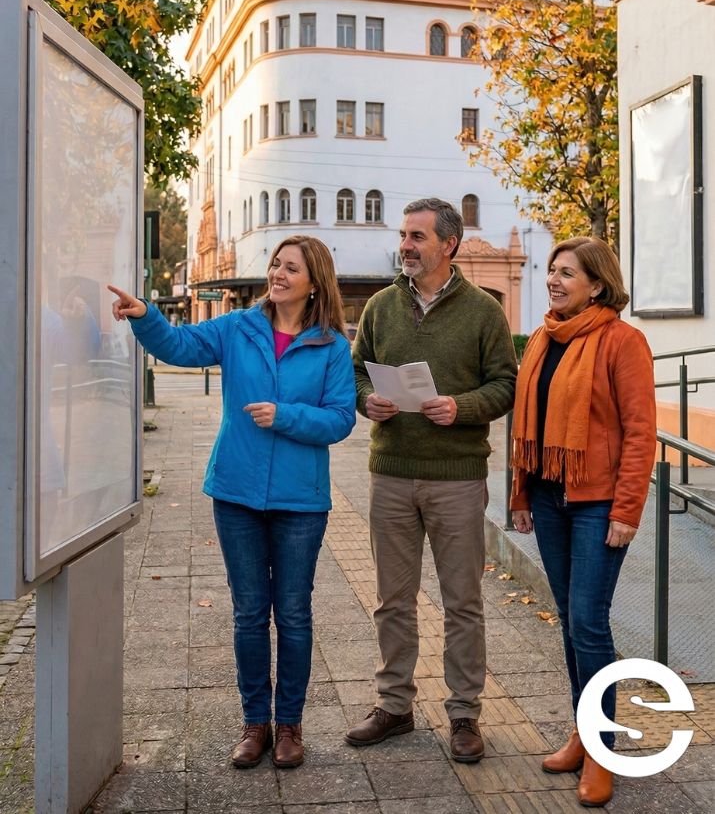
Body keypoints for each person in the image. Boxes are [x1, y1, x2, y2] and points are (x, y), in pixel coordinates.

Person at [108, 235, 356, 770]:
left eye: (291, 268)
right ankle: (254, 725)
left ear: (314, 283)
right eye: (276, 263)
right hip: (237, 493)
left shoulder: (332, 345)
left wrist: (284, 415)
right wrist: (145, 315)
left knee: (292, 614)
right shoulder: (238, 327)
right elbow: (179, 346)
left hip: (300, 502)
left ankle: (289, 726)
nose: (278, 273)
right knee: (248, 614)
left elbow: (341, 418)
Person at [346, 198, 517, 761]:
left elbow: (503, 385)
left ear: (450, 245)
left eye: (417, 236)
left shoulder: (483, 312)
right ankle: (393, 705)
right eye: (403, 235)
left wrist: (460, 407)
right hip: (391, 474)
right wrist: (366, 400)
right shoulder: (379, 307)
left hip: (456, 479)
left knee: (462, 601)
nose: (406, 245)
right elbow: (352, 370)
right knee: (392, 600)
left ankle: (465, 714)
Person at [509, 237, 656, 807]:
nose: (553, 279)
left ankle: (602, 748)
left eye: (567, 273)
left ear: (597, 284)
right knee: (570, 621)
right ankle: (581, 729)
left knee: (588, 622)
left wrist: (626, 511)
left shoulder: (624, 342)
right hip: (548, 497)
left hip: (596, 502)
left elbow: (640, 435)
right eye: (551, 270)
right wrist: (520, 494)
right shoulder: (543, 339)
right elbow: (528, 425)